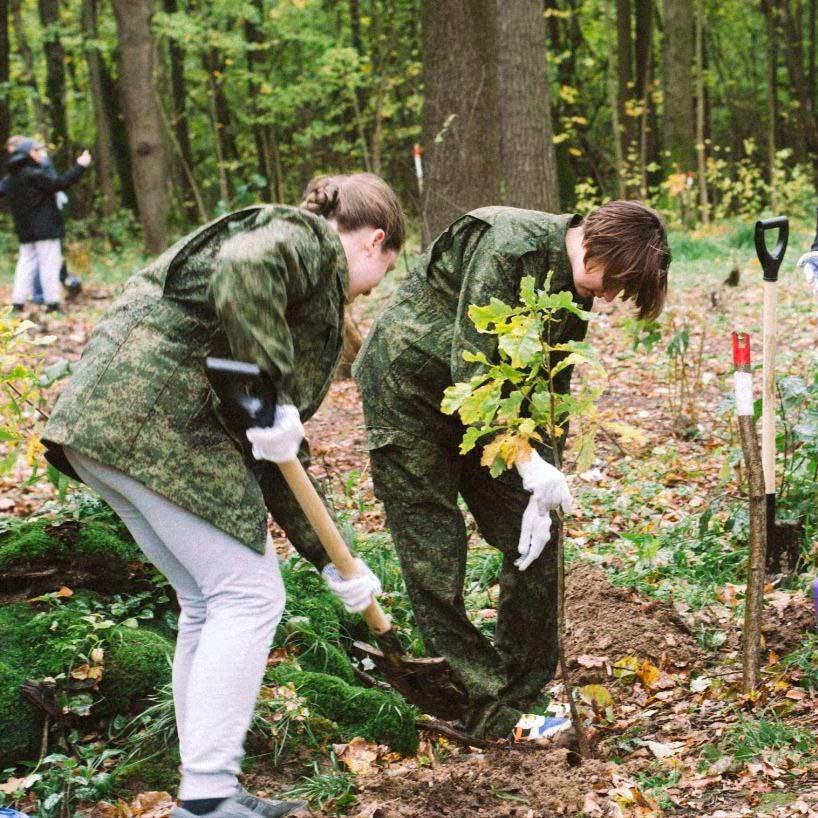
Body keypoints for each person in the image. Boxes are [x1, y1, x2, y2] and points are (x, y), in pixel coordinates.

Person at [42, 174, 404, 818]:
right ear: (375, 241)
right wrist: (271, 392)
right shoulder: (304, 238)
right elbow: (243, 267)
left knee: (207, 601)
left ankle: (207, 790)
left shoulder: (278, 302)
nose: (366, 294)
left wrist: (333, 562)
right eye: (378, 277)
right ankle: (209, 798)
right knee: (249, 594)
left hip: (104, 423)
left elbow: (273, 456)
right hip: (152, 423)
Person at [353, 201, 670, 743]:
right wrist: (527, 460)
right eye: (616, 281)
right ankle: (484, 706)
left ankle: (526, 698)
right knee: (436, 550)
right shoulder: (509, 246)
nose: (613, 297)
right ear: (598, 246)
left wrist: (545, 473)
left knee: (537, 537)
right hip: (409, 396)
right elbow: (471, 370)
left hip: (489, 418)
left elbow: (551, 386)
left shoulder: (577, 287)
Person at [2, 137, 90, 313]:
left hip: (25, 231)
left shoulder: (12, 178)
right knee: (49, 264)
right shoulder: (35, 174)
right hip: (45, 229)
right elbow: (61, 183)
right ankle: (52, 303)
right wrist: (80, 166)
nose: (40, 154)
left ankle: (17, 303)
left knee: (25, 264)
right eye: (36, 151)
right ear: (28, 154)